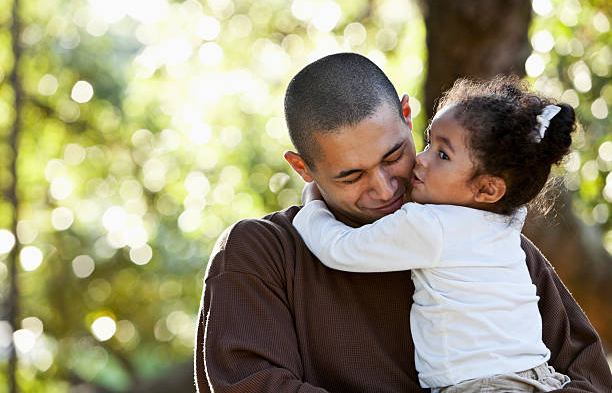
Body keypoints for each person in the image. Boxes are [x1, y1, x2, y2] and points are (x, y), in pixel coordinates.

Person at [194, 53, 612, 392]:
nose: (385, 187)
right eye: (351, 176)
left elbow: (590, 378)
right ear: (304, 169)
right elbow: (252, 385)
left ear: (409, 116)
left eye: (394, 155)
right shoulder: (261, 254)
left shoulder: (491, 241)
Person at [292, 76, 574, 392]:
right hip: (538, 375)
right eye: (429, 142)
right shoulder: (504, 225)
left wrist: (312, 205)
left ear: (487, 188)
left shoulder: (429, 225)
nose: (422, 160)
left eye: (442, 155)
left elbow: (339, 249)